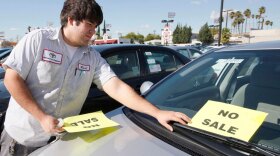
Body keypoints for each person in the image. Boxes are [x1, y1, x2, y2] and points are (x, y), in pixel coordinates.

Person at [0, 0, 191, 155]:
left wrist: (157, 113)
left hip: (60, 139)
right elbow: (12, 78)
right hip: (23, 138)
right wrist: (41, 117)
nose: (94, 31)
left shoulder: (92, 57)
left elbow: (116, 87)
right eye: (89, 24)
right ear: (71, 19)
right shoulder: (38, 40)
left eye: (96, 26)